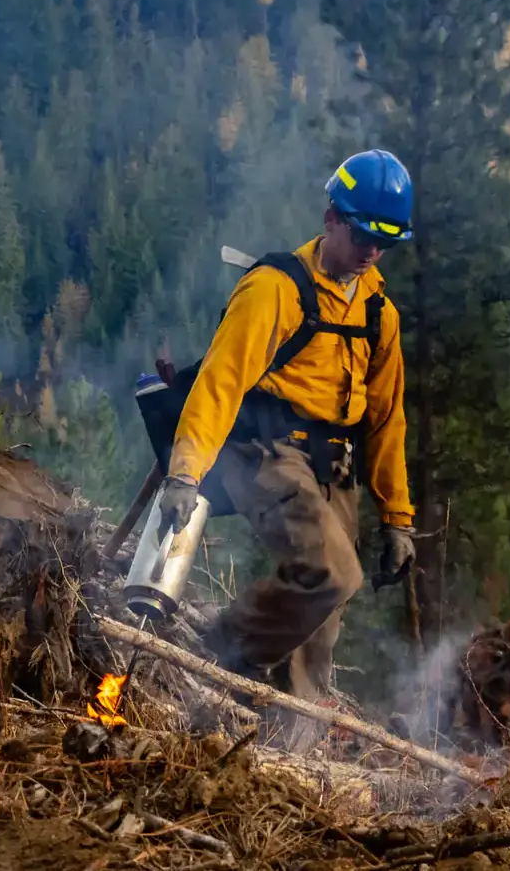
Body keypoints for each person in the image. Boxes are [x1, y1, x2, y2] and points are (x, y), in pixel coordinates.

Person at [155, 148, 419, 745]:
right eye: (362, 235)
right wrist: (186, 473)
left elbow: (386, 421)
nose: (372, 252)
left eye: (386, 243)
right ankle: (223, 650)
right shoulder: (276, 290)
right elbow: (220, 382)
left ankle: (281, 759)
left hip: (335, 469)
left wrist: (398, 518)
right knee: (331, 572)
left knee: (318, 631)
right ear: (331, 218)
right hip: (265, 453)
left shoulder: (380, 315)